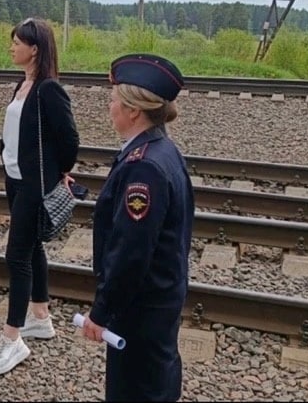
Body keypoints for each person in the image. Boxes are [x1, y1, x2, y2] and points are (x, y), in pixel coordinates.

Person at [80, 53, 194, 402]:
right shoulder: (163, 151)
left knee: (136, 390)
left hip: (139, 310)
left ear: (133, 110)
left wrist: (102, 311)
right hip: (159, 301)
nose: (109, 106)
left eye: (113, 99)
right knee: (157, 382)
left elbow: (130, 251)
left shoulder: (143, 168)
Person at [0, 17, 79, 376]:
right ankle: (40, 316)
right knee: (33, 248)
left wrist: (58, 171)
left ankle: (12, 339)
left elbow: (69, 139)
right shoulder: (22, 84)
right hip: (15, 178)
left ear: (35, 48)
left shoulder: (47, 89)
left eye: (17, 42)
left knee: (17, 257)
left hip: (32, 184)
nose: (11, 46)